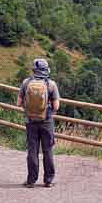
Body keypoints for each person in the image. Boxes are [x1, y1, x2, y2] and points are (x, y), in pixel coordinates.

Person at [18, 57, 60, 187]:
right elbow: (56, 106)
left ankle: (31, 181)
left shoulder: (26, 82)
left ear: (34, 70)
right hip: (46, 121)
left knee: (32, 150)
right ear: (46, 70)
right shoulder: (51, 84)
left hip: (31, 121)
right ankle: (48, 180)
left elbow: (18, 102)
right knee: (47, 150)